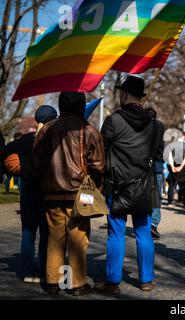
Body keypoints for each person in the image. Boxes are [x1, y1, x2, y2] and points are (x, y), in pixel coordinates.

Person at [33, 92, 105, 295]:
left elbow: (37, 163)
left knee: (55, 238)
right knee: (78, 239)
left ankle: (53, 281)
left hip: (51, 193)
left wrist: (46, 182)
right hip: (81, 194)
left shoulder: (46, 129)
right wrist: (96, 187)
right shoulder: (89, 130)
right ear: (82, 106)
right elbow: (99, 166)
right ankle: (77, 283)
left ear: (61, 105)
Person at [99, 76, 162, 294]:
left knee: (116, 234)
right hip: (143, 186)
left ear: (124, 95)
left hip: (117, 186)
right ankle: (146, 280)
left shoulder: (113, 121)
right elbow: (157, 155)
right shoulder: (156, 126)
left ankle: (112, 281)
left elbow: (101, 151)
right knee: (143, 233)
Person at [0, 105, 57, 283]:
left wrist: (13, 170)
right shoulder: (55, 139)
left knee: (28, 232)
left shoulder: (24, 140)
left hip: (28, 191)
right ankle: (43, 269)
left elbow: (3, 152)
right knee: (46, 233)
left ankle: (26, 271)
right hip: (47, 193)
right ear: (53, 120)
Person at [145, 107, 166, 240]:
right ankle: (153, 223)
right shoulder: (160, 127)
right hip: (157, 164)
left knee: (144, 194)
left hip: (143, 164)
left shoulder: (142, 127)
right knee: (156, 196)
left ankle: (146, 221)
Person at [166, 132, 185, 207]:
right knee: (184, 185)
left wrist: (173, 166)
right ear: (183, 136)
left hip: (173, 167)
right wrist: (180, 167)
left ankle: (170, 201)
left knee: (171, 184)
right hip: (184, 168)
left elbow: (169, 157)